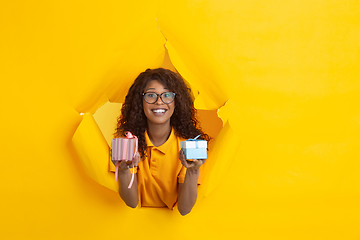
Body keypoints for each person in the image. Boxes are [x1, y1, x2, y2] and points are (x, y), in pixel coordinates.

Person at [114, 68, 210, 215]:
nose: (159, 101)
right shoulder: (127, 143)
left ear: (176, 101)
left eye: (167, 95)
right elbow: (131, 202)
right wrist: (123, 169)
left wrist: (193, 170)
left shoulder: (188, 146)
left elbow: (184, 209)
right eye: (151, 95)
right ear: (140, 101)